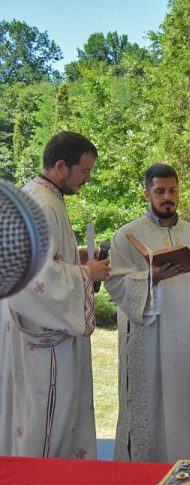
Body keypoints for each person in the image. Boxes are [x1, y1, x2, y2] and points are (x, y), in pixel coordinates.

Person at [105, 163, 190, 462]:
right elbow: (115, 282)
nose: (167, 197)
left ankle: (181, 466)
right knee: (145, 406)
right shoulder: (127, 235)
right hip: (144, 338)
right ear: (147, 194)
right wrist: (152, 277)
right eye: (160, 191)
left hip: (182, 336)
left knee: (179, 405)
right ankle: (139, 472)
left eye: (172, 190)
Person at [0, 131, 110, 458]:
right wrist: (88, 274)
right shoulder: (44, 204)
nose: (87, 179)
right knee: (47, 425)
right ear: (61, 166)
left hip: (27, 337)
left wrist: (75, 257)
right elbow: (37, 277)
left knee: (33, 419)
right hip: (43, 345)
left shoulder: (35, 195)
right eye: (84, 171)